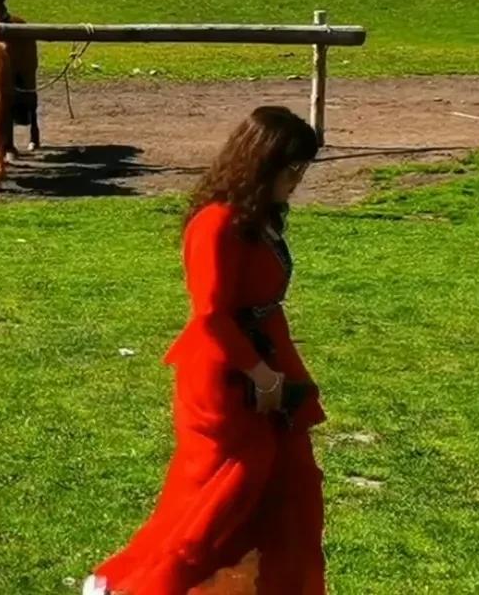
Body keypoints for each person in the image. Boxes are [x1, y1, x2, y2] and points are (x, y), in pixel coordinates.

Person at [85, 107, 328, 595]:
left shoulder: (260, 218)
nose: (297, 180)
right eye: (291, 168)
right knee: (219, 498)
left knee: (285, 489)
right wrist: (259, 374)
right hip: (224, 376)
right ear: (263, 161)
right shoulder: (216, 223)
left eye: (302, 169)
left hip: (267, 364)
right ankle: (132, 584)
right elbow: (211, 314)